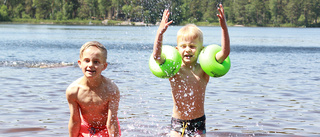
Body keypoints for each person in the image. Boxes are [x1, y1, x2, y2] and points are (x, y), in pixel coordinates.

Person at [152, 4, 230, 137]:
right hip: (178, 121)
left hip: (198, 121)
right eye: (183, 46)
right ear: (177, 49)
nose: (187, 49)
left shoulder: (204, 69)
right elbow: (157, 57)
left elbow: (224, 52)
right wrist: (160, 33)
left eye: (192, 46)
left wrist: (223, 28)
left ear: (201, 49)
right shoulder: (173, 69)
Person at [66, 41, 121, 137]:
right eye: (87, 60)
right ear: (80, 63)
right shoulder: (73, 91)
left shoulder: (111, 90)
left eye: (96, 62)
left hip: (105, 128)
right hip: (85, 127)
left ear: (104, 66)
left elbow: (111, 123)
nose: (90, 65)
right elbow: (75, 121)